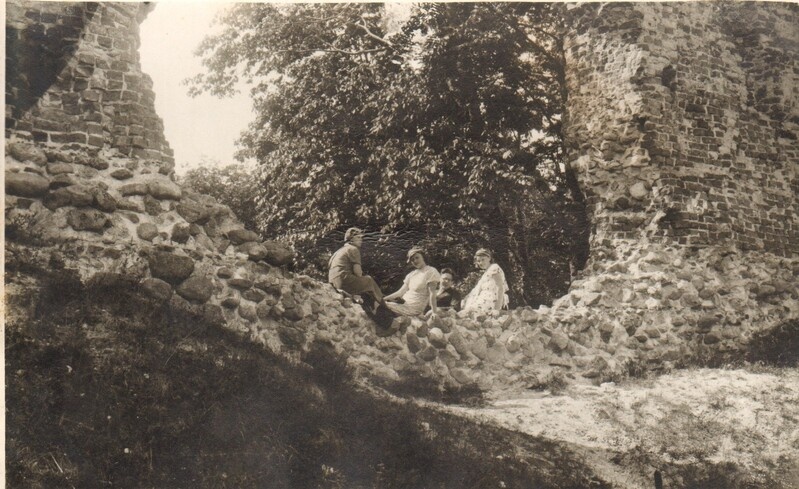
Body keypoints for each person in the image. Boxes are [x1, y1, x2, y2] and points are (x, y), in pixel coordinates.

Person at [328, 227, 384, 313]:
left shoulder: (338, 251)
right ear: (350, 239)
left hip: (333, 282)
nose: (361, 240)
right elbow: (358, 273)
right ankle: (384, 303)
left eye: (361, 238)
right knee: (368, 280)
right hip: (344, 280)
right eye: (358, 237)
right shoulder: (353, 249)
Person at [384, 247, 441, 317]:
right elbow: (400, 292)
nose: (415, 261)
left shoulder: (431, 271)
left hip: (414, 307)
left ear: (423, 257)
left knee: (381, 307)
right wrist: (383, 299)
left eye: (417, 257)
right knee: (379, 304)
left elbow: (432, 293)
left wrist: (434, 312)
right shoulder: (411, 274)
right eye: (412, 260)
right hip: (403, 303)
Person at [461, 248, 509, 313]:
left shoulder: (494, 268)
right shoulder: (486, 272)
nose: (480, 263)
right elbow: (477, 289)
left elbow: (500, 288)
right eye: (478, 261)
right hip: (483, 301)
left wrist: (497, 308)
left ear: (489, 258)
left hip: (491, 302)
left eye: (483, 259)